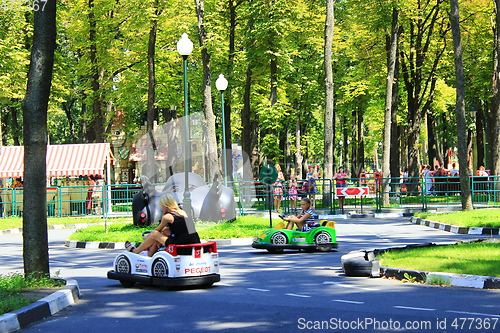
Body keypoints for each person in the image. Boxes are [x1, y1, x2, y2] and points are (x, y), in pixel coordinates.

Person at [125, 193, 200, 254]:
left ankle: (136, 251)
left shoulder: (168, 216)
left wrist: (147, 237)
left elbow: (156, 230)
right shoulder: (183, 213)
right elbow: (182, 229)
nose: (161, 208)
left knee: (154, 234)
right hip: (193, 242)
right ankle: (150, 258)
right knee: (162, 234)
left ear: (165, 205)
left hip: (181, 246)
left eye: (161, 205)